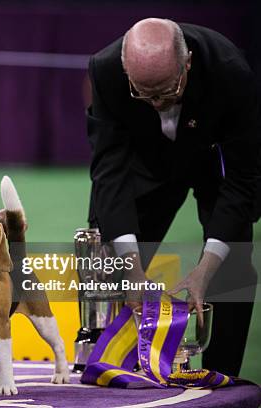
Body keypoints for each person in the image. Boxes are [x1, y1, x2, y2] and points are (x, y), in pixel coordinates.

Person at [87, 18, 259, 376]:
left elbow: (245, 179)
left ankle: (222, 383)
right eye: (142, 93)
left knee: (233, 264)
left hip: (215, 161)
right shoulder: (105, 70)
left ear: (188, 63)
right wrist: (131, 269)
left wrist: (206, 269)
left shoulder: (230, 71)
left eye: (166, 91)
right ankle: (117, 373)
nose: (155, 103)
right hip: (144, 165)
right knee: (113, 263)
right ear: (124, 70)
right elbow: (109, 171)